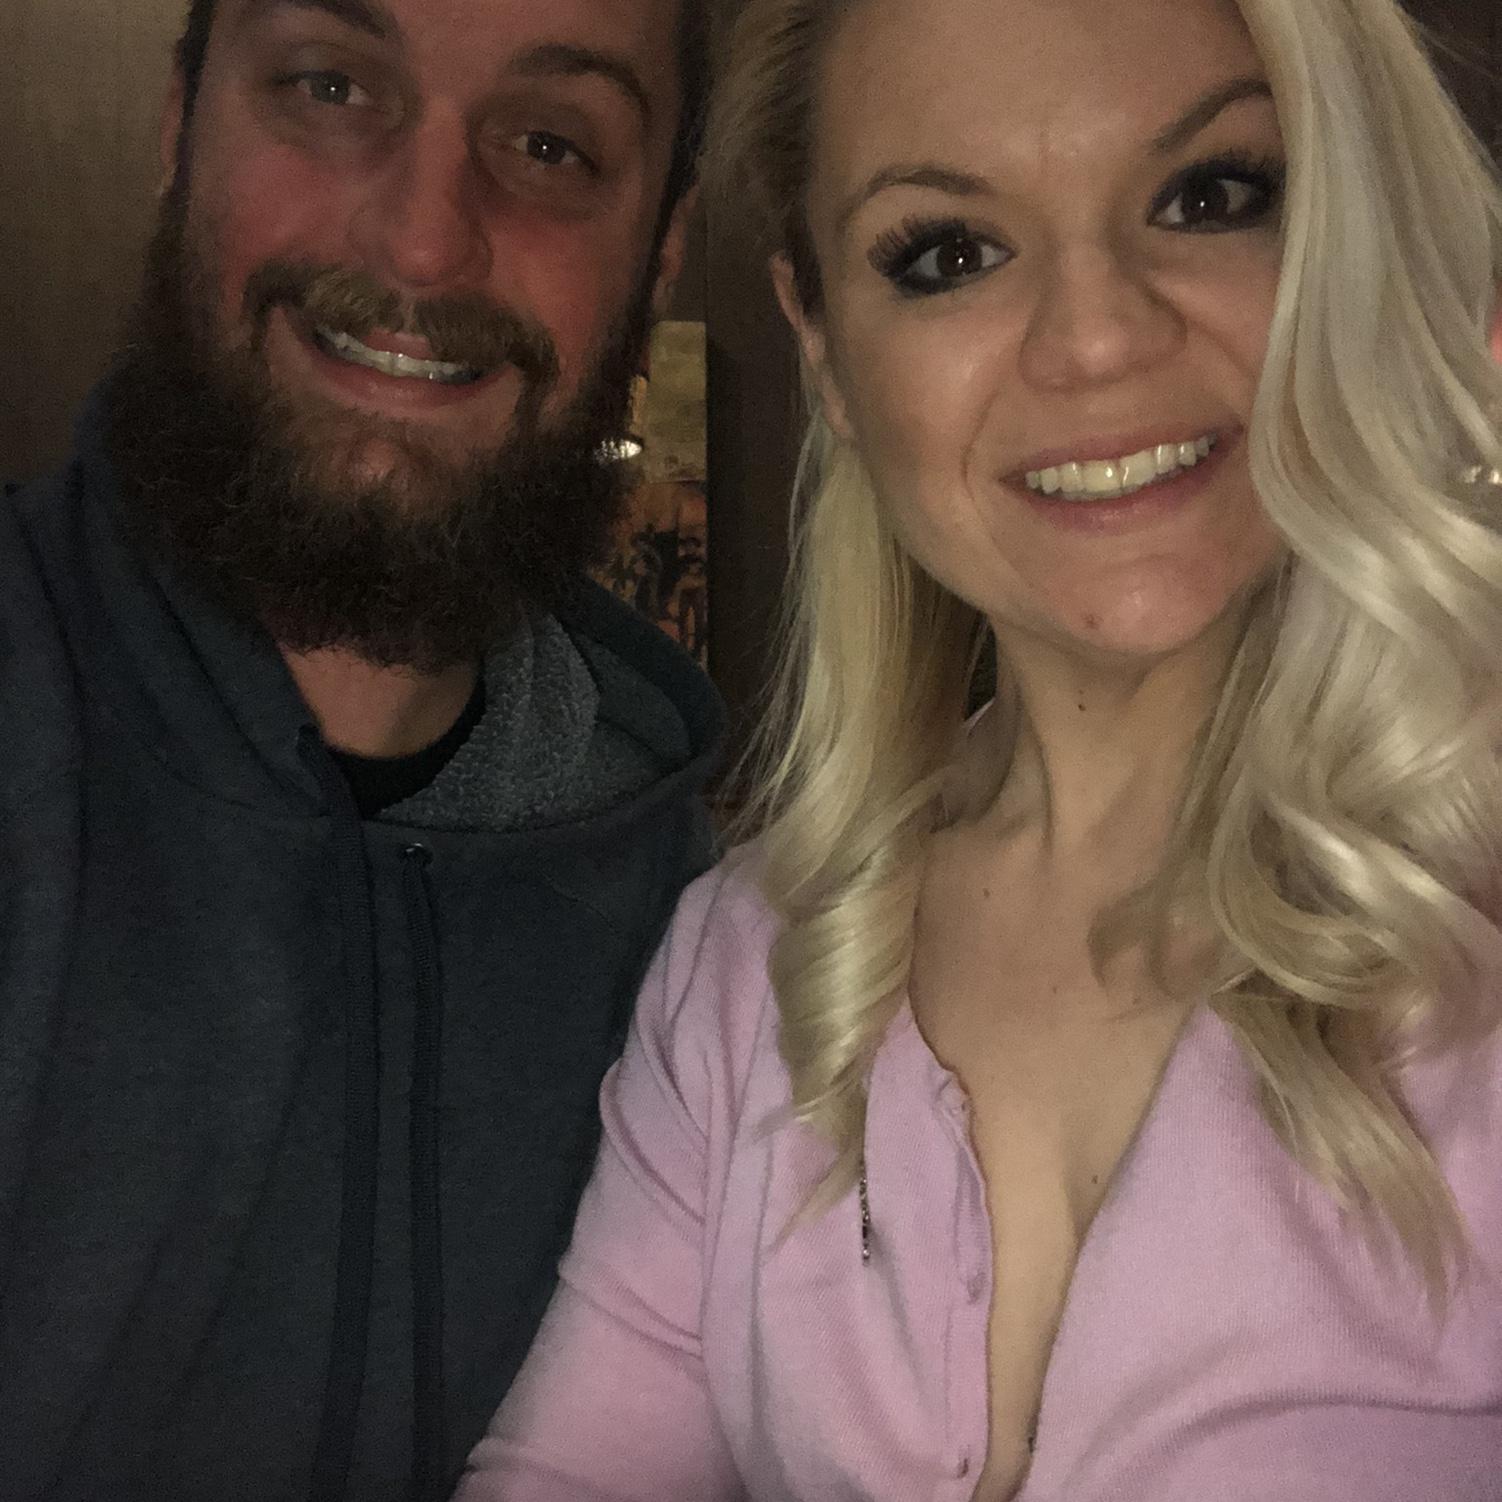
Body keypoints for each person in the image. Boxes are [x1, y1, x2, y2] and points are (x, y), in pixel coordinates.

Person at [456, 0, 1502, 1496]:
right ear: (824, 345)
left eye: (1210, 194)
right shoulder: (752, 961)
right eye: (947, 253)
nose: (1096, 338)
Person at [0, 0, 722, 1498]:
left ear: (660, 250)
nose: (423, 243)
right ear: (179, 125)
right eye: (331, 87)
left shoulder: (713, 958)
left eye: (549, 145)